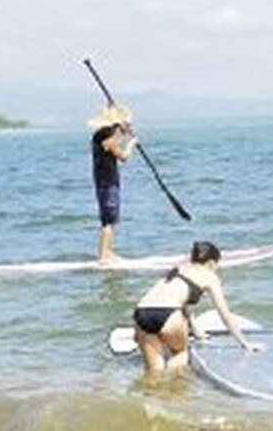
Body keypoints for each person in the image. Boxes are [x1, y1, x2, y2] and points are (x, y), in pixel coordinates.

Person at [133, 241, 260, 374]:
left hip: (141, 313)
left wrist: (197, 331)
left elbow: (181, 304)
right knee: (181, 354)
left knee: (155, 372)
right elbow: (224, 314)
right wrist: (244, 343)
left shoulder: (177, 269)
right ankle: (172, 391)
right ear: (211, 263)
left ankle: (151, 392)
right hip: (169, 315)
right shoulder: (210, 277)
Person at [89, 106, 137, 264]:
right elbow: (123, 156)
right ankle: (104, 255)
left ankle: (109, 252)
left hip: (102, 178)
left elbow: (106, 147)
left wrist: (125, 134)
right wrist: (131, 144)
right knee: (109, 220)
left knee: (111, 218)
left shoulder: (98, 136)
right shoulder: (108, 140)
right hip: (107, 181)